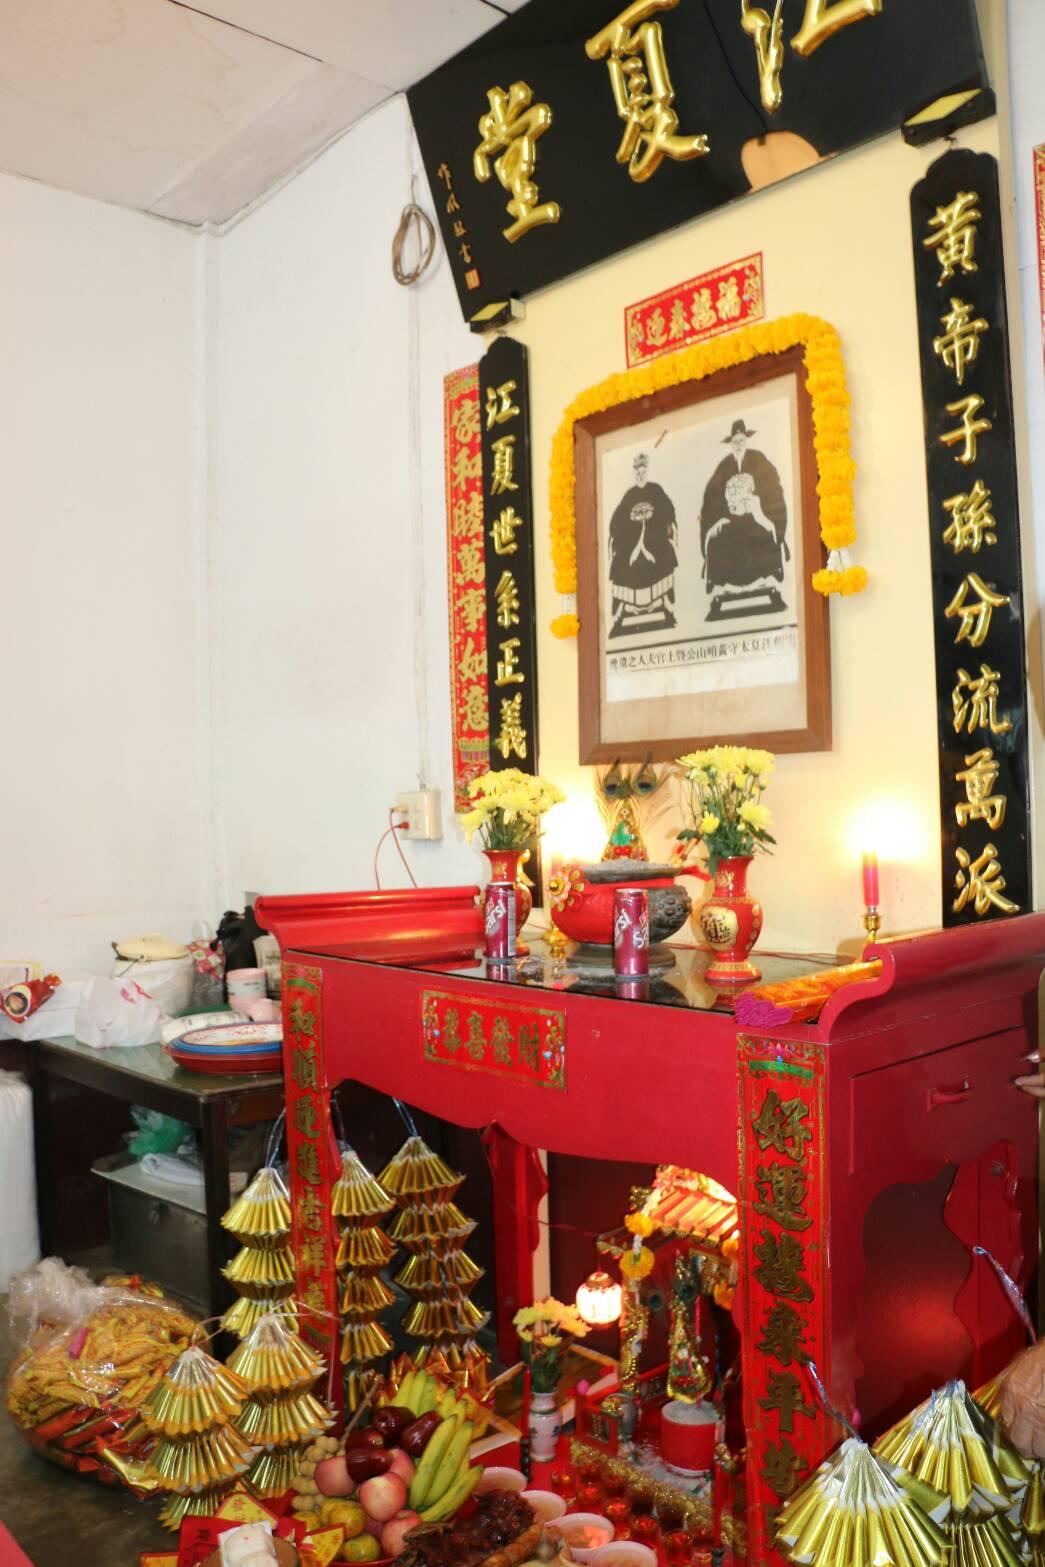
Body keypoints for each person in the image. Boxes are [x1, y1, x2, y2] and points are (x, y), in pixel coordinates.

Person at [607, 451, 678, 638]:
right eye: (637, 472)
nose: (640, 475)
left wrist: (653, 525)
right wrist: (634, 531)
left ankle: (667, 610)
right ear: (634, 474)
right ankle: (619, 617)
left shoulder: (656, 491)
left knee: (662, 553)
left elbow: (668, 511)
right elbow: (617, 521)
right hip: (630, 544)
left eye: (643, 472)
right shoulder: (629, 496)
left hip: (655, 541)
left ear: (647, 472)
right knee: (620, 561)